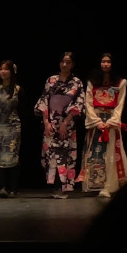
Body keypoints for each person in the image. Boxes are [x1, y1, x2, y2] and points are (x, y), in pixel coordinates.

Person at [77, 52, 127, 198]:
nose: (106, 64)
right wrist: (96, 121)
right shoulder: (92, 81)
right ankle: (93, 186)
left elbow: (120, 104)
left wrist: (111, 122)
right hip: (96, 120)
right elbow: (88, 103)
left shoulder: (121, 82)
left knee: (110, 154)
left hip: (111, 121)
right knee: (94, 152)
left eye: (108, 62)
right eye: (103, 61)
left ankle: (109, 186)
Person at [34, 51, 85, 198]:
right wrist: (45, 122)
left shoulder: (76, 82)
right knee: (51, 155)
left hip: (67, 123)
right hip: (50, 121)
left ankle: (63, 187)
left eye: (68, 62)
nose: (64, 64)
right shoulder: (51, 80)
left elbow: (78, 103)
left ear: (72, 64)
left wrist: (66, 122)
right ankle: (55, 186)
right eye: (62, 61)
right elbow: (44, 100)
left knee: (65, 154)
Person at [0, 60, 23, 198]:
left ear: (11, 72)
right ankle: (2, 187)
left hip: (13, 125)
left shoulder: (18, 89)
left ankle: (13, 188)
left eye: (6, 69)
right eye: (1, 69)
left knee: (13, 156)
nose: (3, 72)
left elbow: (23, 107)